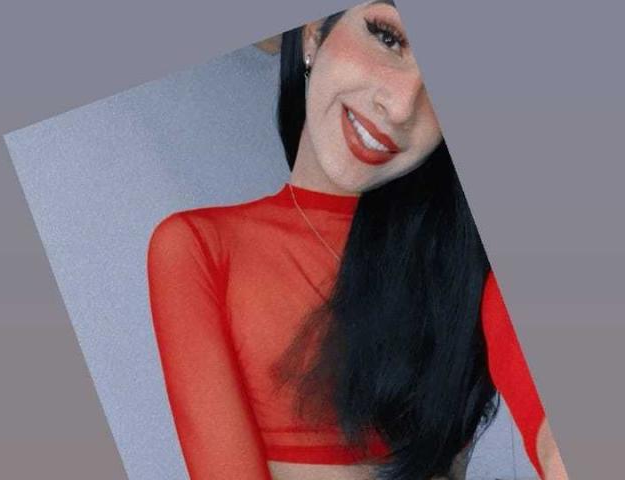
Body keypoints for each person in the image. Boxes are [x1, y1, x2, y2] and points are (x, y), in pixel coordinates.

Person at [147, 1, 568, 479]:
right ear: (314, 33)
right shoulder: (200, 247)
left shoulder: (464, 264)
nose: (402, 106)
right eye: (388, 37)